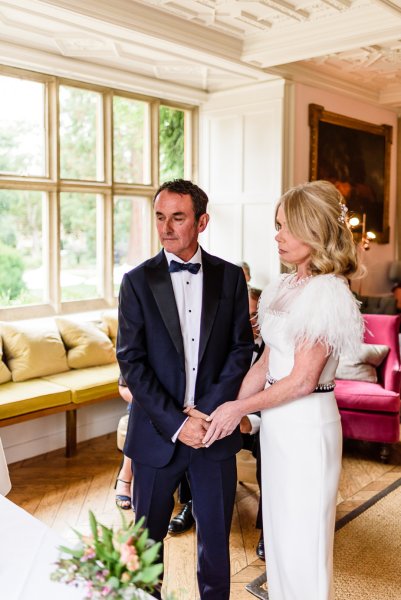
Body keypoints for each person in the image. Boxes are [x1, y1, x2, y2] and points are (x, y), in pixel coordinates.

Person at [203, 180, 364, 600]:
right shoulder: (285, 286)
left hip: (307, 423)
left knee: (303, 539)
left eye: (285, 227)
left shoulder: (328, 292)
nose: (276, 236)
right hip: (278, 423)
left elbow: (301, 380)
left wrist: (240, 408)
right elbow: (267, 362)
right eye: (276, 226)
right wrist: (231, 404)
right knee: (278, 530)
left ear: (312, 229)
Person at [117, 179, 254, 600]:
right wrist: (178, 423)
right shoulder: (136, 281)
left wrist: (206, 415)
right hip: (158, 434)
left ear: (202, 221)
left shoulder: (230, 278)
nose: (166, 227)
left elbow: (240, 349)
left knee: (215, 545)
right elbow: (132, 363)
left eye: (178, 217)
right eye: (160, 216)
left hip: (214, 434)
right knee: (146, 545)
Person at [168, 286, 265, 561]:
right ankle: (190, 504)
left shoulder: (271, 346)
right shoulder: (217, 343)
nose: (249, 323)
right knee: (192, 439)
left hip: (256, 417)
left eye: (255, 316)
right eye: (243, 316)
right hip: (214, 417)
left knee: (269, 448)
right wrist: (210, 415)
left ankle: (267, 528)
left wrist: (245, 416)